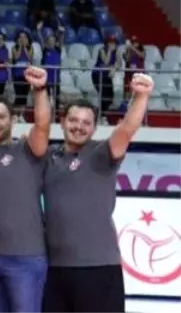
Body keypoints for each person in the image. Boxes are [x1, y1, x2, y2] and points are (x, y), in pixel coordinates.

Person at [42, 72, 153, 313]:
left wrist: (141, 95)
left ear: (94, 127)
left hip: (98, 268)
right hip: (55, 269)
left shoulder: (101, 154)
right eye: (73, 120)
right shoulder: (50, 157)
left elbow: (127, 129)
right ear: (62, 122)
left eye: (86, 123)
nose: (78, 127)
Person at [0, 66, 52, 313]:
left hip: (25, 258)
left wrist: (39, 90)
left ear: (12, 119)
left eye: (0, 117)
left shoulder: (28, 150)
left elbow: (42, 124)